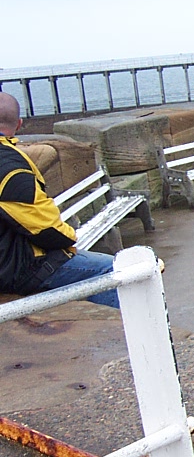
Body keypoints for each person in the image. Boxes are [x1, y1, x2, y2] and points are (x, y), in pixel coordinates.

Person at [0, 93, 119, 308]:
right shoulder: (9, 165)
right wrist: (71, 240)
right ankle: (130, 336)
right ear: (19, 123)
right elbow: (45, 229)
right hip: (15, 269)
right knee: (116, 270)